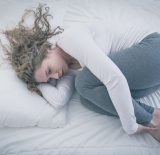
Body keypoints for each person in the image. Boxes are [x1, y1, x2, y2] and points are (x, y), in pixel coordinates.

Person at [2, 4, 160, 141]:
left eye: (49, 70)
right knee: (86, 100)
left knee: (83, 83)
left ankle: (150, 119)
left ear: (47, 50)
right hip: (150, 77)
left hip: (153, 49)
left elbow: (115, 79)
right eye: (49, 79)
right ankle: (154, 113)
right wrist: (36, 84)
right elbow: (58, 100)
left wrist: (130, 126)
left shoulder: (70, 39)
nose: (56, 77)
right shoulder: (68, 67)